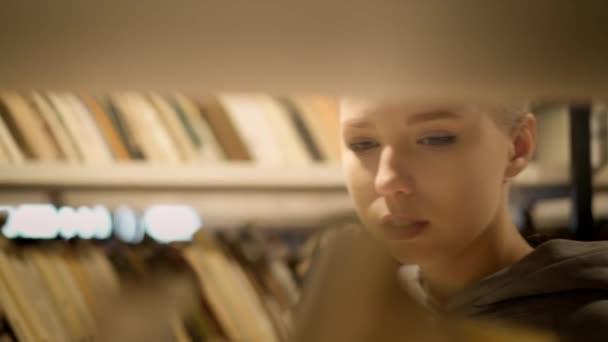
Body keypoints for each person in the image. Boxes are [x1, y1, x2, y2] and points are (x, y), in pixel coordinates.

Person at [338, 98, 608, 340]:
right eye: (363, 144)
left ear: (517, 146)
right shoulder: (351, 315)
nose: (387, 180)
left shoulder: (589, 324)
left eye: (435, 138)